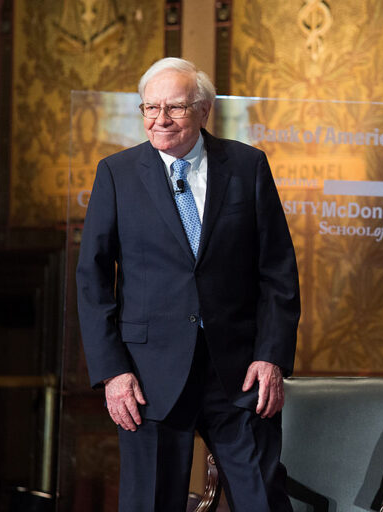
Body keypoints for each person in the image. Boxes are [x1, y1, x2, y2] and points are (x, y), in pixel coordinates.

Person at [76, 57, 300, 511]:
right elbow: (93, 279)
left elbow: (277, 271)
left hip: (239, 375)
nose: (160, 119)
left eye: (174, 108)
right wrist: (112, 372)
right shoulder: (116, 173)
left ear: (204, 110)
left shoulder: (247, 165)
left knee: (263, 499)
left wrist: (271, 356)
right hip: (147, 377)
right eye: (150, 108)